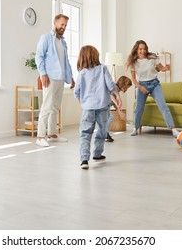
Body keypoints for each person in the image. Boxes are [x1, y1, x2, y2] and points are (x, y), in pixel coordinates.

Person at [74, 45, 122, 169]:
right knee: (102, 131)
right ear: (95, 56)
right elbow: (111, 85)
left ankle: (84, 160)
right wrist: (118, 96)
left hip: (87, 108)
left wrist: (83, 104)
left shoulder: (82, 73)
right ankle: (97, 154)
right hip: (102, 107)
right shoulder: (103, 69)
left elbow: (77, 92)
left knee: (85, 133)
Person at [35, 14, 75, 147]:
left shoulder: (63, 42)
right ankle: (40, 136)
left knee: (55, 107)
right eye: (62, 24)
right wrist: (43, 74)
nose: (63, 27)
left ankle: (52, 134)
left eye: (65, 25)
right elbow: (39, 57)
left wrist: (71, 77)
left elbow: (66, 61)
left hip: (61, 78)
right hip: (49, 77)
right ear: (55, 23)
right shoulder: (46, 38)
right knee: (46, 106)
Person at [125, 40, 179, 138]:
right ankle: (135, 128)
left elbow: (161, 68)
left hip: (154, 84)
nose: (143, 51)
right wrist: (140, 88)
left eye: (144, 49)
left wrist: (166, 68)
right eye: (140, 49)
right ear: (136, 50)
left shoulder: (152, 57)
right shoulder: (133, 62)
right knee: (138, 108)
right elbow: (133, 79)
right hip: (142, 85)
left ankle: (173, 129)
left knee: (163, 106)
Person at [105, 76, 132, 142]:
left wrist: (120, 113)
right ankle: (105, 135)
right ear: (123, 84)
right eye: (127, 86)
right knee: (109, 117)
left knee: (107, 119)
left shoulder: (117, 89)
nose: (127, 88)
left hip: (106, 106)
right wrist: (117, 103)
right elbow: (111, 96)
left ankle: (105, 134)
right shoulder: (115, 87)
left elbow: (114, 104)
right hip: (103, 105)